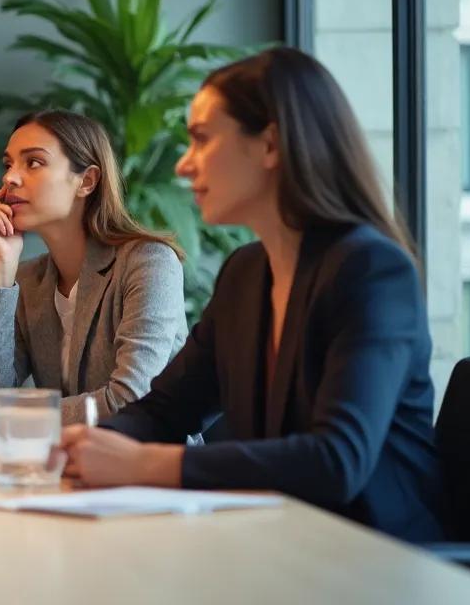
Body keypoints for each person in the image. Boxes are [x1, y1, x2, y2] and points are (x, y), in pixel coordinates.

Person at [60, 47, 444, 542]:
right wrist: (94, 446)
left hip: (375, 562)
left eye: (200, 139)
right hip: (279, 544)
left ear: (270, 145)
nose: (183, 165)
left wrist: (145, 464)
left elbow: (337, 461)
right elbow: (165, 410)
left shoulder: (371, 270)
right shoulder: (245, 274)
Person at [0, 110, 187, 436]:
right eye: (8, 165)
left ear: (87, 181)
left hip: (156, 474)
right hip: (73, 471)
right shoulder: (29, 280)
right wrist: (2, 269)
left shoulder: (149, 262)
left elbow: (131, 400)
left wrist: (3, 420)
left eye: (33, 162)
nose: (10, 178)